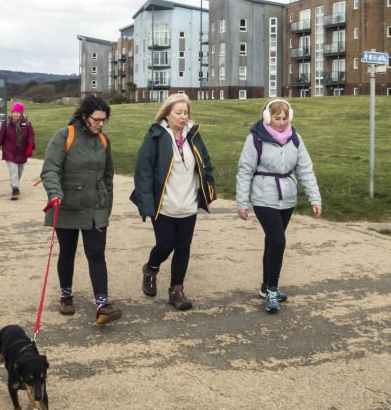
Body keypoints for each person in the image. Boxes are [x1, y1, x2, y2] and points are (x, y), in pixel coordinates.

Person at [130, 94, 215, 311]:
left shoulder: (194, 136)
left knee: (183, 247)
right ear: (167, 114)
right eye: (178, 112)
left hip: (188, 204)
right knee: (165, 245)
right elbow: (143, 171)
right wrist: (146, 203)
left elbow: (205, 163)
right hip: (164, 205)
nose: (183, 117)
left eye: (186, 112)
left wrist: (207, 190)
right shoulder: (156, 136)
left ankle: (176, 289)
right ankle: (151, 269)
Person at [236, 98, 322, 313]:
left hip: (288, 198)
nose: (281, 122)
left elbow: (305, 170)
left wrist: (315, 198)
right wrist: (242, 202)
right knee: (278, 241)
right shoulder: (255, 139)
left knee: (272, 242)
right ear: (267, 117)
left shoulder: (295, 139)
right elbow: (245, 170)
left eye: (285, 118)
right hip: (264, 197)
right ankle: (273, 290)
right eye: (277, 118)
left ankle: (265, 286)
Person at [40, 95, 120, 325]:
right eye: (97, 120)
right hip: (66, 205)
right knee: (67, 252)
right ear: (84, 117)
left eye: (104, 120)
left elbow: (108, 176)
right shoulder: (63, 136)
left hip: (95, 208)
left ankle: (103, 304)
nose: (101, 124)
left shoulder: (104, 141)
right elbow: (50, 170)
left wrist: (107, 206)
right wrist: (55, 192)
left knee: (97, 255)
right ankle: (66, 295)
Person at [0, 102, 35, 200]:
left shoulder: (26, 123)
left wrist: (30, 147)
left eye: (17, 112)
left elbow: (31, 136)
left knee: (20, 171)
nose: (15, 114)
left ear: (21, 113)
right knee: (13, 171)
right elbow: (0, 136)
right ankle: (15, 189)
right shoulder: (7, 122)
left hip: (21, 152)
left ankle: (14, 184)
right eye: (14, 112)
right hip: (9, 151)